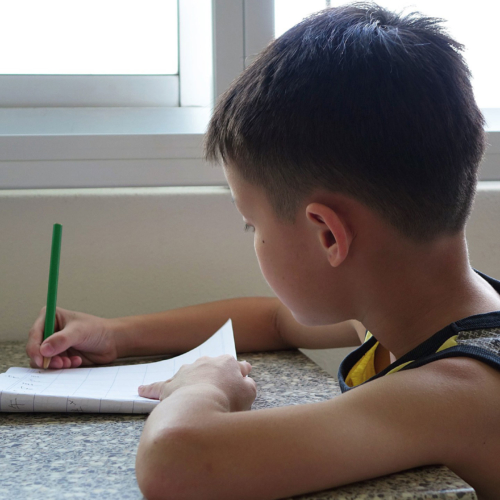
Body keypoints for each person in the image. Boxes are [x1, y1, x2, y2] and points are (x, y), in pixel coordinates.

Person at [26, 2, 500, 498]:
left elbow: (177, 462)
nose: (252, 235)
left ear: (329, 236)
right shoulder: (410, 304)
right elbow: (272, 320)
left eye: (250, 224)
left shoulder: (460, 393)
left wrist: (201, 388)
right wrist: (116, 335)